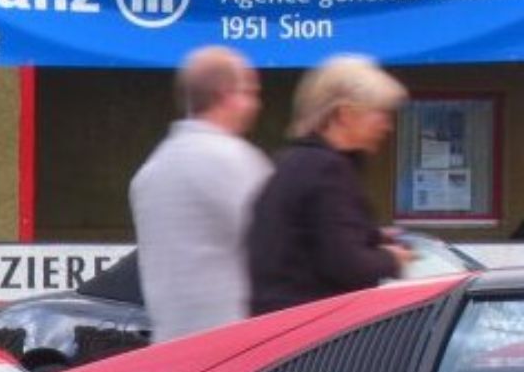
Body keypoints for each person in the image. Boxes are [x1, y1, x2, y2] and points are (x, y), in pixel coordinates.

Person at [247, 55, 415, 316]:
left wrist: (371, 235)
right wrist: (393, 258)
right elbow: (347, 264)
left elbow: (317, 240)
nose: (388, 126)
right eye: (380, 114)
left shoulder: (290, 163)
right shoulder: (328, 170)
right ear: (345, 114)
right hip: (313, 335)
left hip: (276, 327)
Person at [129, 46, 272, 343]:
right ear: (224, 94)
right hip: (238, 345)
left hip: (170, 347)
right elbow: (277, 246)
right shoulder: (235, 160)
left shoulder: (150, 171)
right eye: (249, 92)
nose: (256, 104)